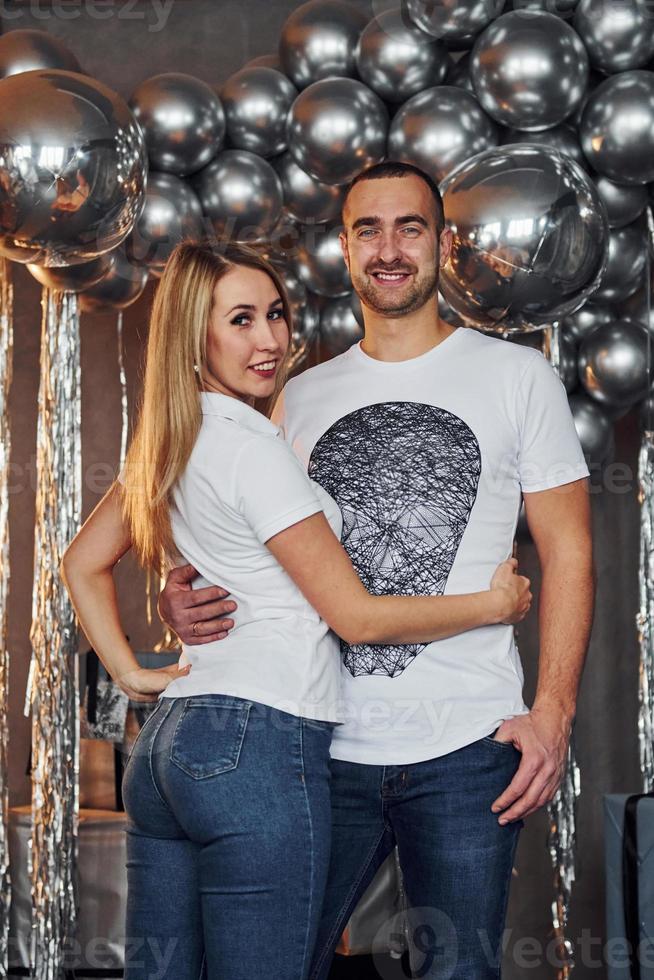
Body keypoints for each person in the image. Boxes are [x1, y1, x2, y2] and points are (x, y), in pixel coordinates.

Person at [159, 162, 595, 978]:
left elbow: (569, 549)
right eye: (368, 229)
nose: (389, 248)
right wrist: (181, 596)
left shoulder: (518, 377)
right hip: (314, 743)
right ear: (345, 247)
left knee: (455, 971)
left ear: (442, 243)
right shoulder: (295, 394)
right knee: (280, 963)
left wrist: (553, 714)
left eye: (410, 228)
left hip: (470, 745)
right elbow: (247, 542)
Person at [61, 240, 532, 980]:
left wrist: (135, 674)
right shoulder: (254, 448)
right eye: (241, 320)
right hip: (257, 744)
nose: (271, 339)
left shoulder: (170, 440)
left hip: (166, 753)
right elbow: (358, 618)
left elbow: (79, 563)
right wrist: (493, 602)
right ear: (194, 336)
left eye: (275, 314)